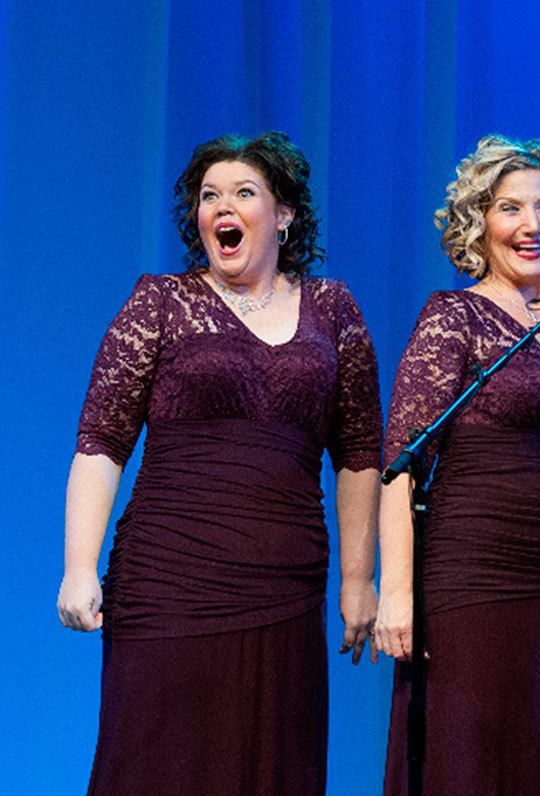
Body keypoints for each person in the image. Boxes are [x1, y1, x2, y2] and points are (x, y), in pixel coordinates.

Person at [56, 131, 384, 795]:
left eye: (242, 193)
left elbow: (358, 455)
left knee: (269, 767)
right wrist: (78, 567)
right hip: (169, 581)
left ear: (284, 213)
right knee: (154, 763)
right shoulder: (161, 303)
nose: (221, 208)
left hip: (284, 584)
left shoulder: (334, 311)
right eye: (210, 196)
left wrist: (357, 579)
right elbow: (100, 441)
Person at [373, 135, 540, 795]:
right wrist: (397, 592)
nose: (532, 225)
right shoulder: (453, 316)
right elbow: (400, 462)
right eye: (511, 209)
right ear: (479, 224)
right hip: (469, 591)